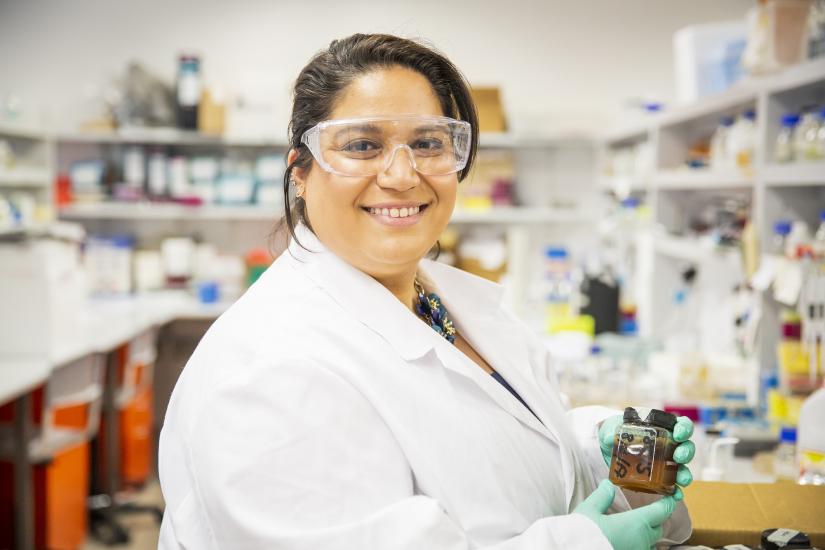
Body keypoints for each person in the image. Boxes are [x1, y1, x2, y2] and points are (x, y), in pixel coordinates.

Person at [158, 33, 695, 549]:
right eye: (363, 145)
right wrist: (582, 545)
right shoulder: (269, 372)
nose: (401, 174)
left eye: (428, 143)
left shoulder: (447, 306)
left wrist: (598, 449)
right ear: (300, 169)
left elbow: (506, 451)